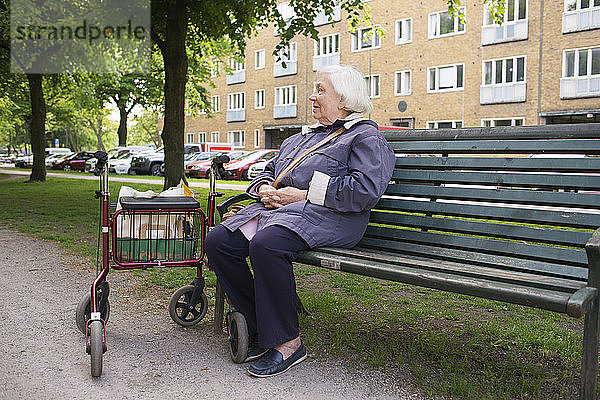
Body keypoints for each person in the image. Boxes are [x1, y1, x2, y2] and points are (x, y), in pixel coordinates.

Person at [204, 64, 396, 377]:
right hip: (283, 213)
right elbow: (269, 170)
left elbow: (364, 191)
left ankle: (288, 344)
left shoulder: (365, 138)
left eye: (321, 90)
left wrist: (303, 195)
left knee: (267, 245)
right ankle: (257, 325)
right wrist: (265, 188)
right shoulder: (301, 138)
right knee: (219, 242)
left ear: (344, 100)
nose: (312, 96)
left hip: (334, 219)